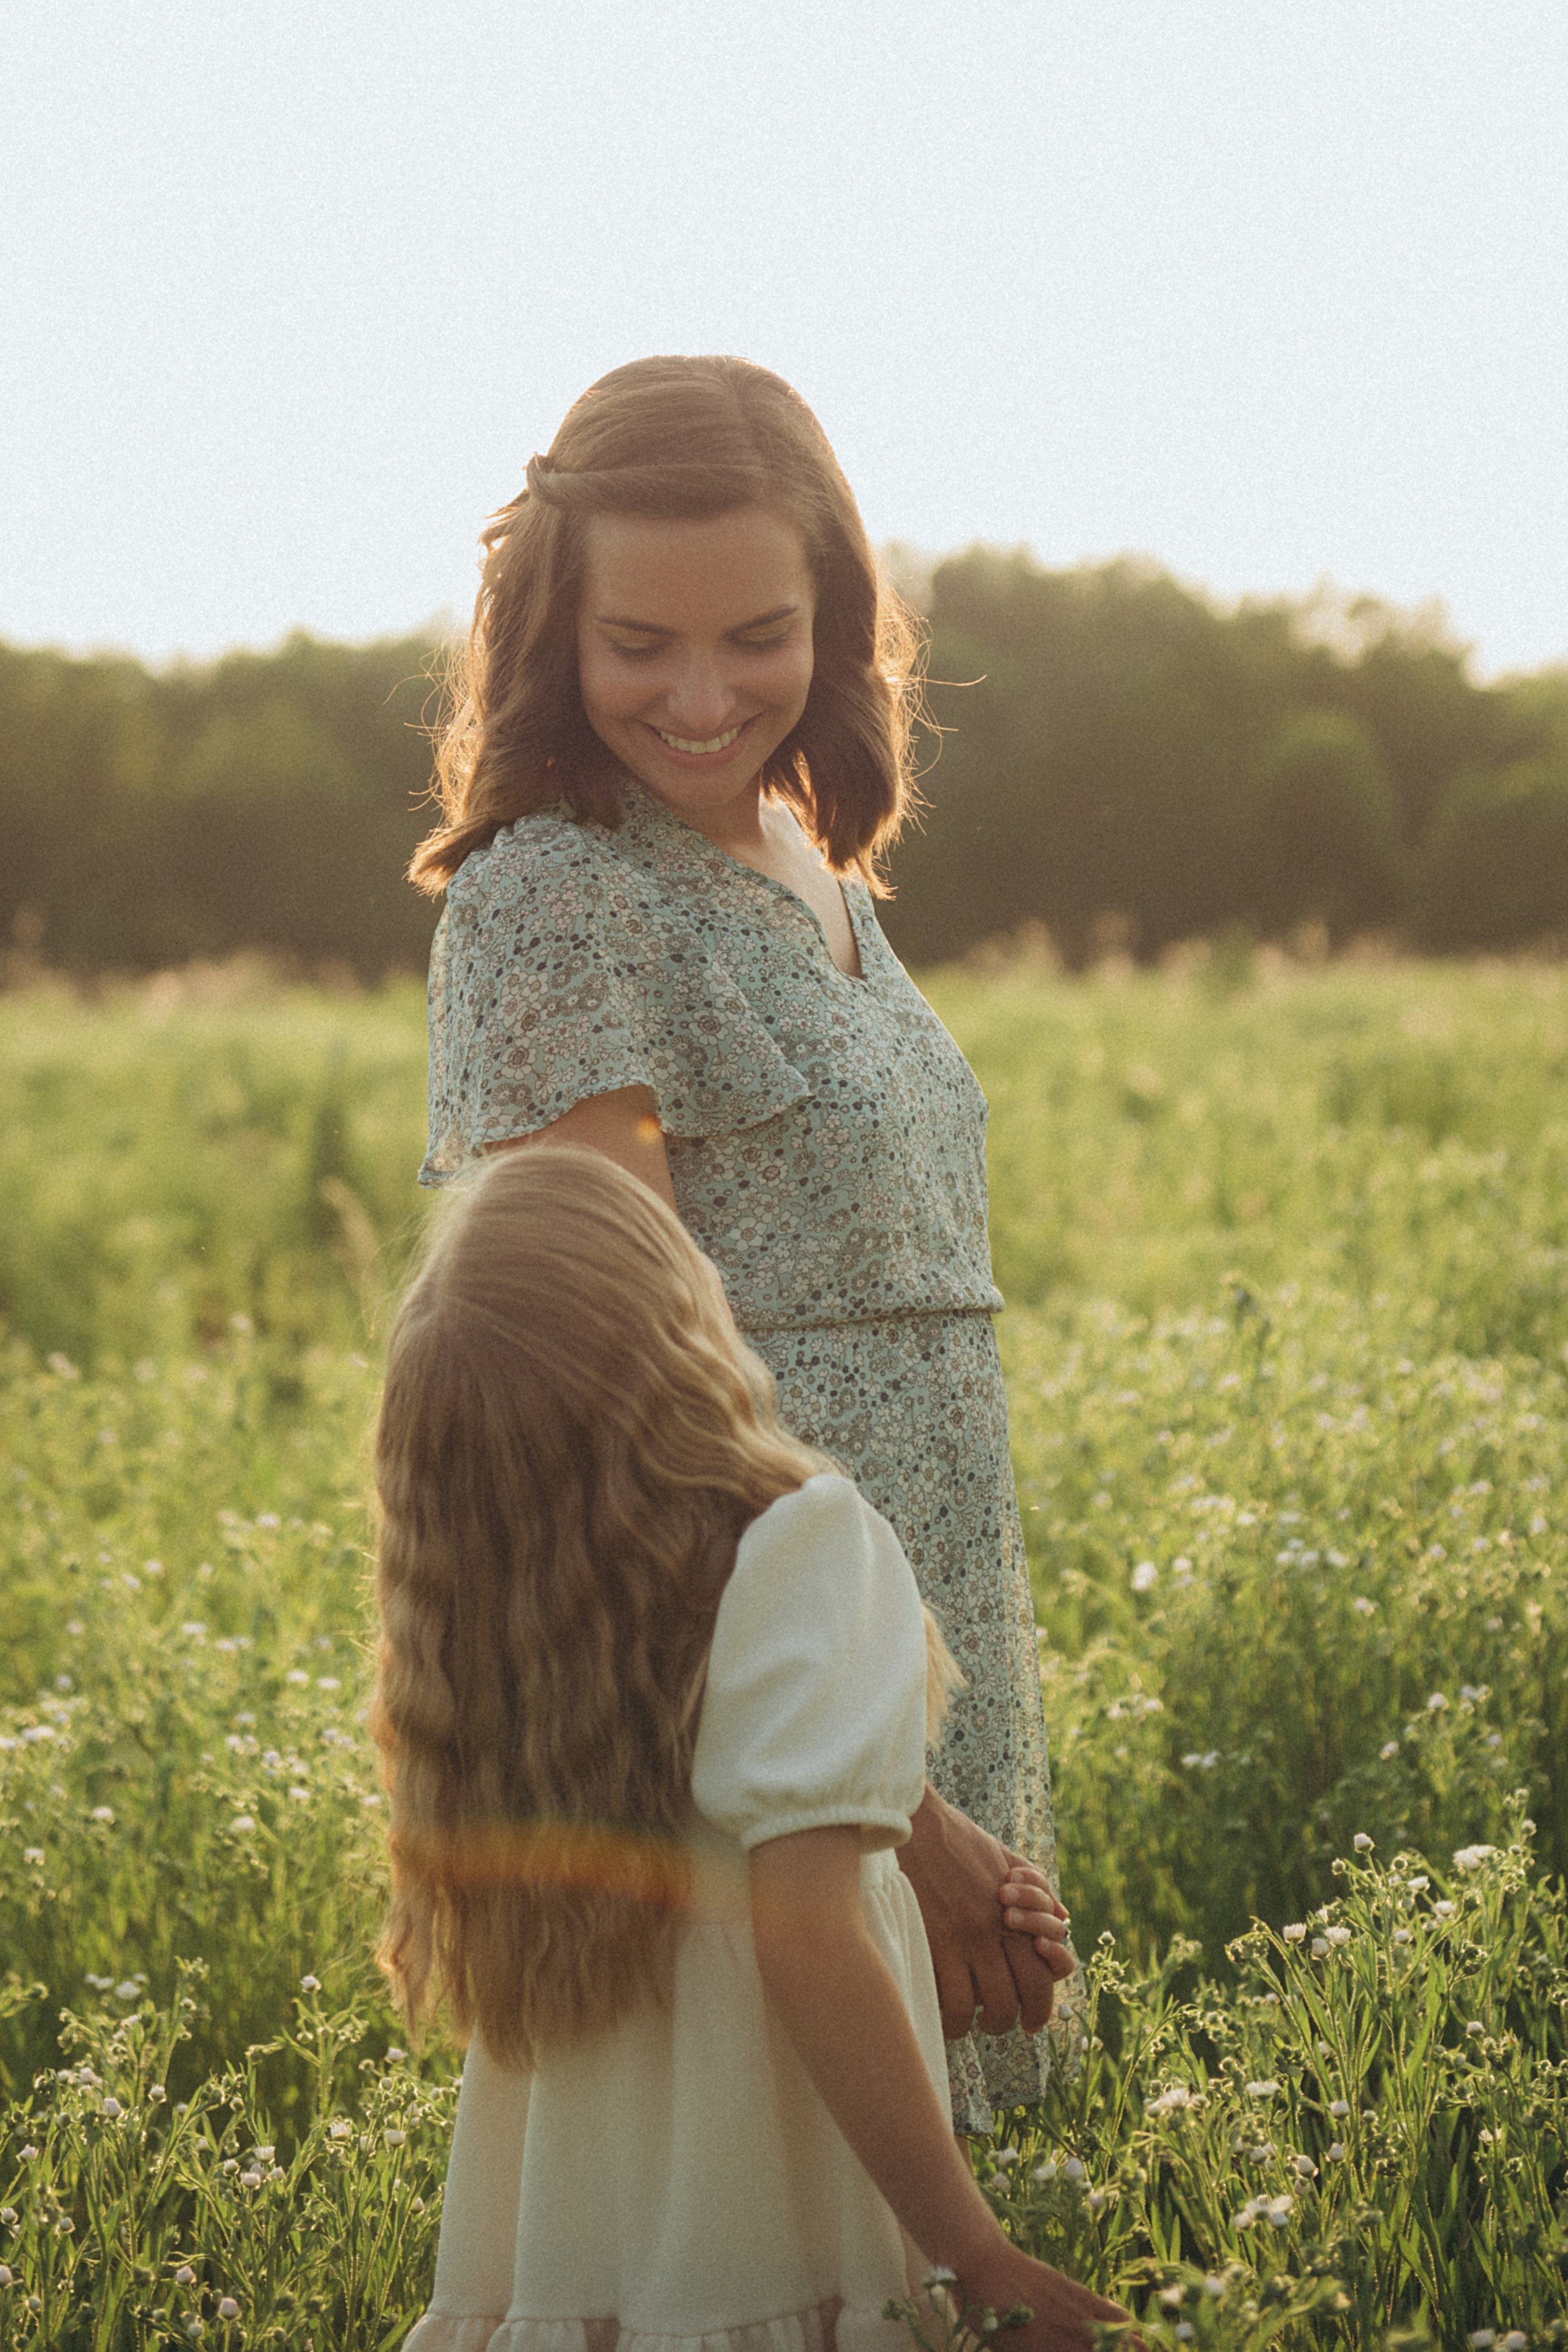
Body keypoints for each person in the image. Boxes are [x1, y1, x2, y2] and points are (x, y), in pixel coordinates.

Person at [412, 353, 1070, 2131]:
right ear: (557, 629)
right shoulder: (559, 893)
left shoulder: (814, 858)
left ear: (836, 616)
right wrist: (892, 1807)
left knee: (952, 2220)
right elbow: (631, 1397)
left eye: (757, 636)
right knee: (784, 2218)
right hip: (749, 1653)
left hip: (924, 1610)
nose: (703, 698)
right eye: (641, 644)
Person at [372, 1146, 1131, 2351]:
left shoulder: (507, 1628)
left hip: (582, 2256)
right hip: (776, 2227)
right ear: (676, 1326)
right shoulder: (803, 1544)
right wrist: (975, 2253)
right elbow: (802, 1933)